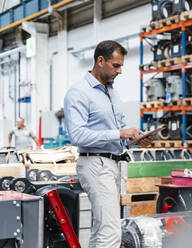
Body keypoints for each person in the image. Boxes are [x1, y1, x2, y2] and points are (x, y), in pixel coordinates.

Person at [64, 40, 153, 248]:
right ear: (100, 61)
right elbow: (77, 135)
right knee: (111, 231)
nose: (120, 71)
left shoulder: (112, 92)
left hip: (113, 164)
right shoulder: (78, 93)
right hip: (95, 164)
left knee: (101, 228)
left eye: (121, 66)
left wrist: (136, 139)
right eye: (116, 65)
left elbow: (119, 131)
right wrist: (120, 132)